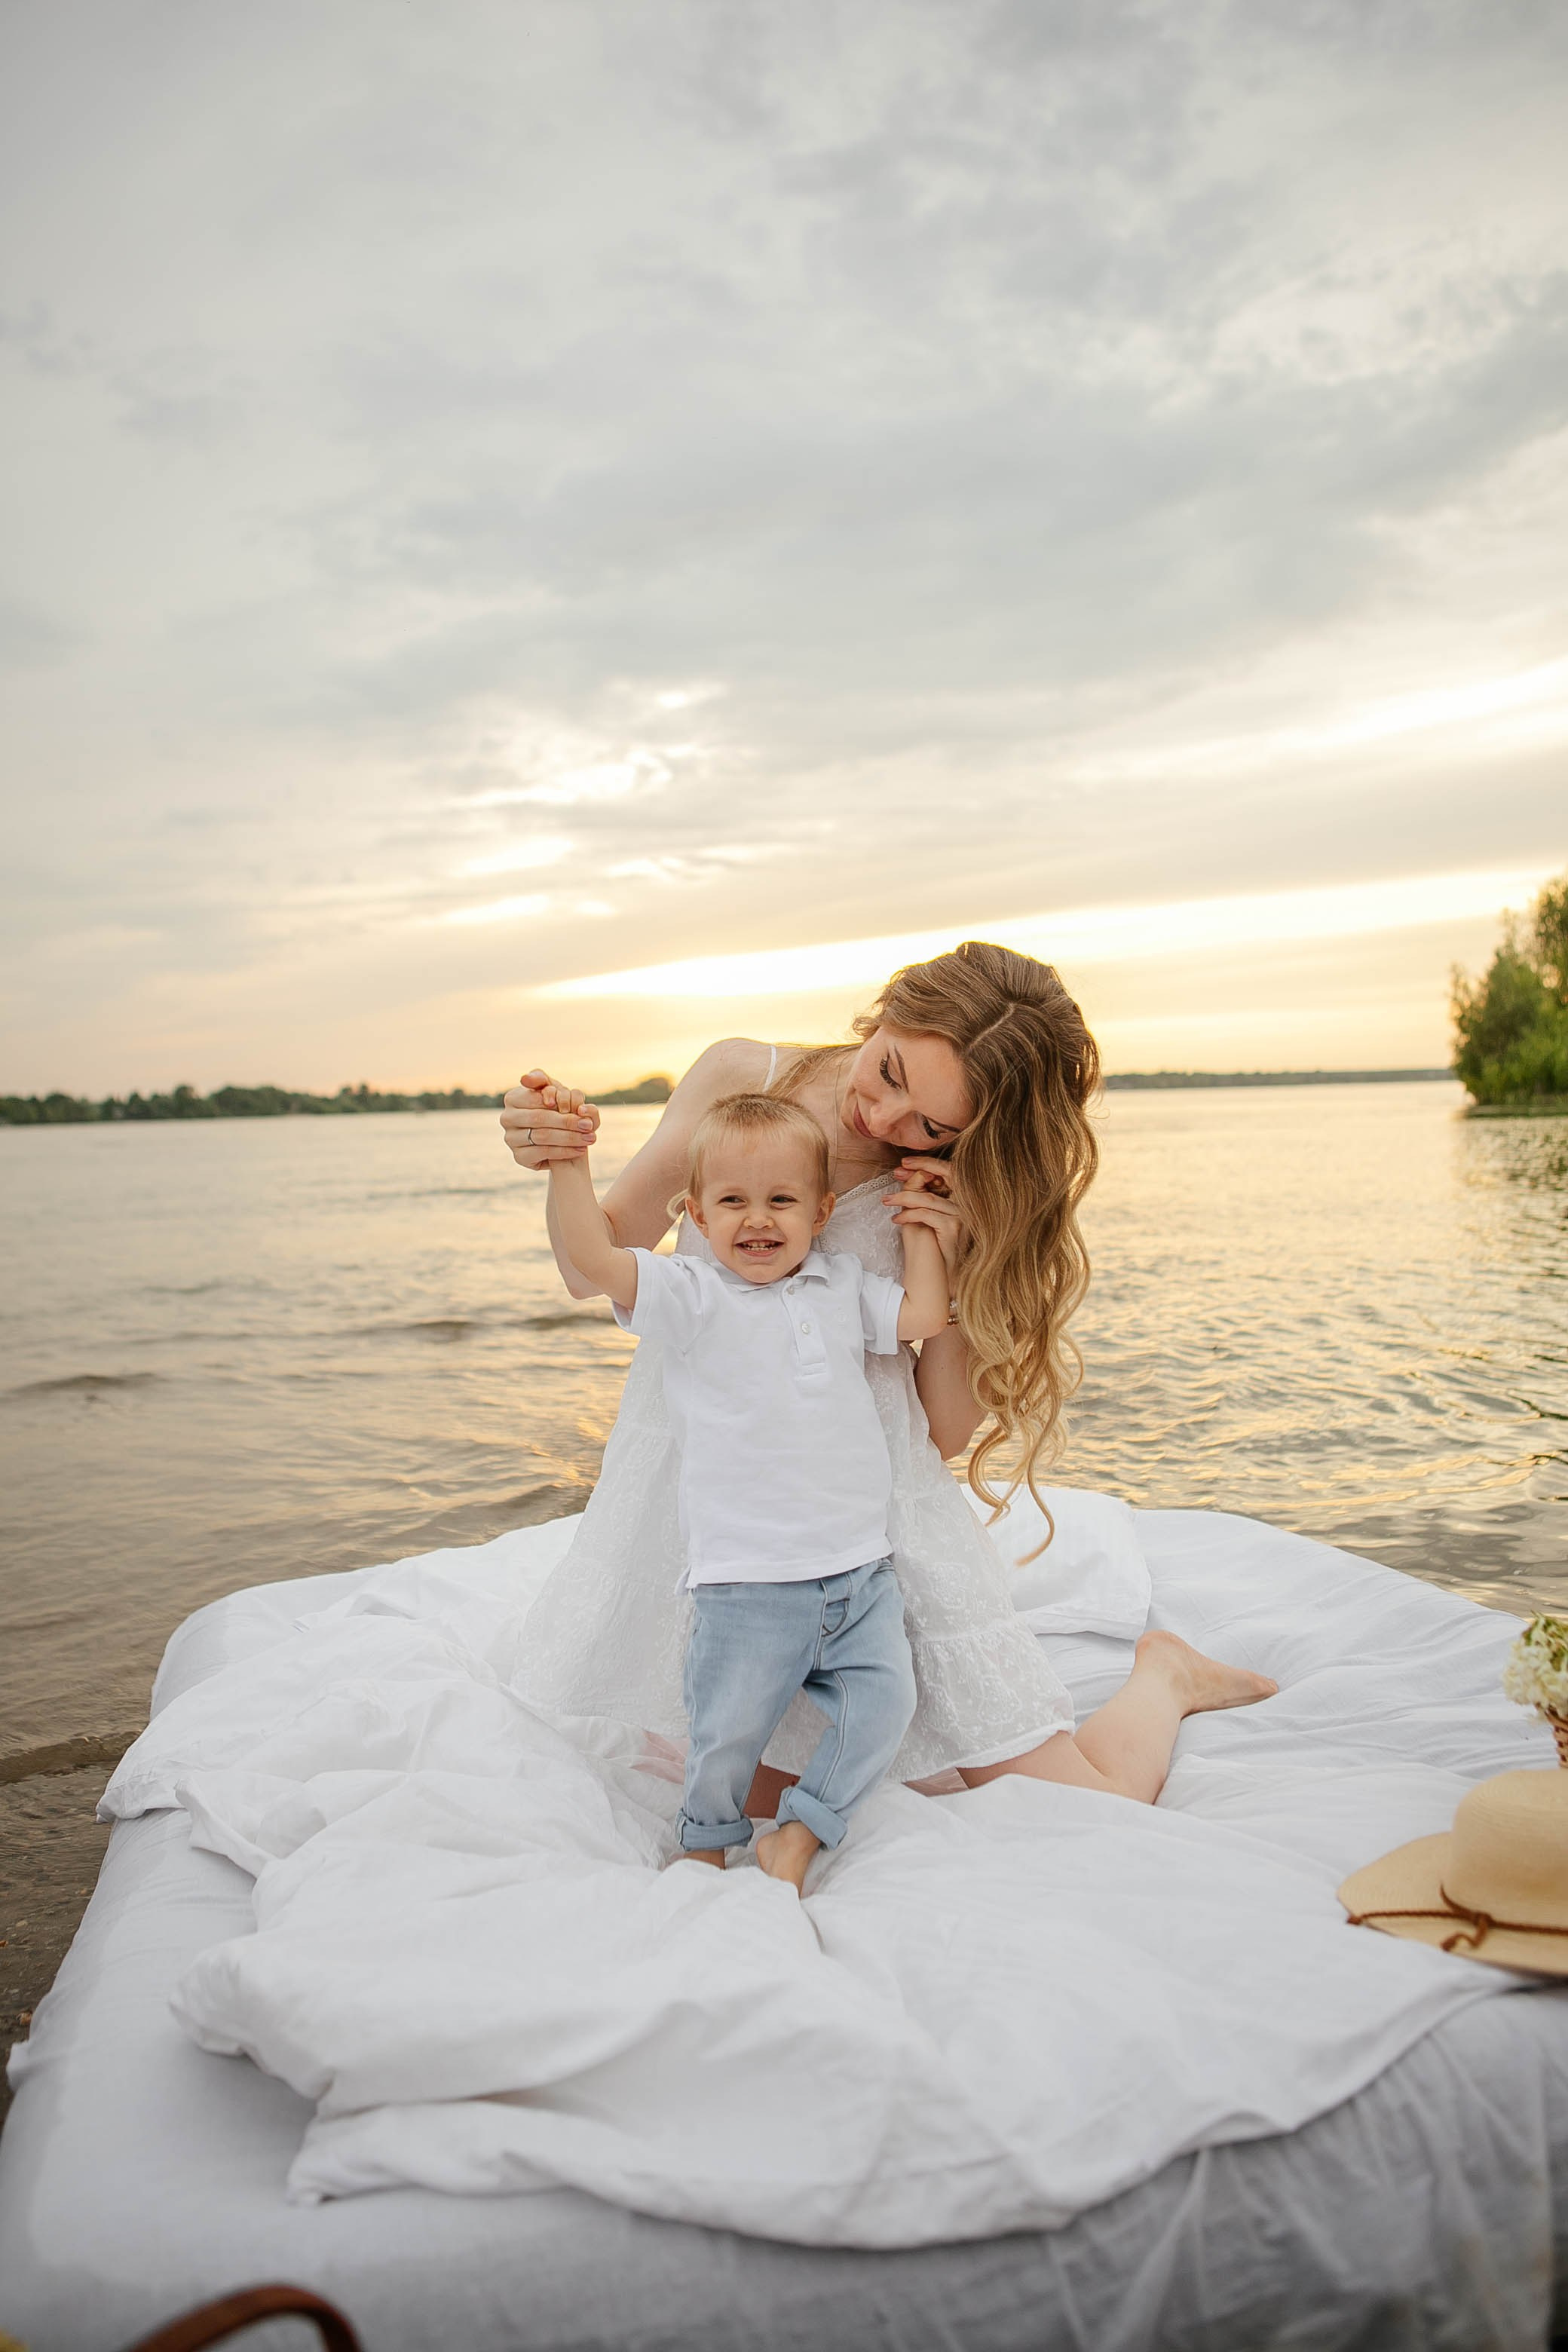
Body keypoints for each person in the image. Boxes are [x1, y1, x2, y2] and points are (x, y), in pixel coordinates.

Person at [503, 940, 1276, 1810]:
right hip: (721, 1509)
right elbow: (596, 1263)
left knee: (1083, 1805)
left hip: (865, 1520)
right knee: (749, 1800)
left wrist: (943, 1260)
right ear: (890, 1008)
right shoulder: (741, 1080)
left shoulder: (962, 1185)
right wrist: (557, 1153)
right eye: (892, 1071)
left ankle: (1163, 1678)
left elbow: (941, 1431)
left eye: (932, 1125)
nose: (888, 1118)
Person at [547, 1086, 951, 1891]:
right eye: (732, 1201)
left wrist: (923, 1226)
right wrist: (569, 1163)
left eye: (781, 1200)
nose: (757, 1219)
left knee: (885, 1708)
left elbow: (922, 1319)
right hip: (746, 1580)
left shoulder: (837, 1287)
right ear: (695, 1216)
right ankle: (704, 1841)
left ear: (823, 1210)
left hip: (857, 1571)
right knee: (726, 1732)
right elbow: (593, 1265)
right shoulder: (692, 1297)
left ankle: (800, 1830)